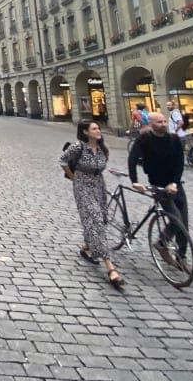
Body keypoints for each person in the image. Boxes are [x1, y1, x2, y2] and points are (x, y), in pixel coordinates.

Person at [60, 120, 124, 289]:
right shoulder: (78, 147)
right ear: (85, 132)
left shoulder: (103, 148)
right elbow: (63, 161)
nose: (98, 131)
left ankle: (87, 246)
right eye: (94, 128)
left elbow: (102, 164)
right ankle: (110, 267)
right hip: (83, 186)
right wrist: (73, 177)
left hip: (99, 185)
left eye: (98, 128)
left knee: (100, 218)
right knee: (95, 220)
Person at [128, 111, 189, 270]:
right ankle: (162, 243)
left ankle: (181, 257)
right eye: (159, 122)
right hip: (158, 185)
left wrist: (175, 182)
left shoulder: (173, 139)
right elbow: (132, 159)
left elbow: (179, 162)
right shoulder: (145, 139)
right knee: (176, 218)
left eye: (164, 121)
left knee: (184, 223)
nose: (163, 124)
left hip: (175, 184)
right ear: (151, 124)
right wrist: (134, 181)